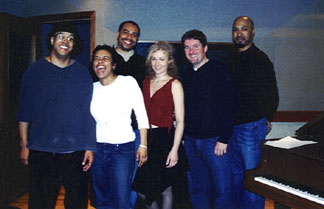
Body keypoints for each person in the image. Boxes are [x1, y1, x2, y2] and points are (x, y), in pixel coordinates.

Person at [16, 21, 96, 209]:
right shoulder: (34, 72)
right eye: (61, 36)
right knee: (40, 203)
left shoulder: (82, 74)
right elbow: (24, 112)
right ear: (52, 40)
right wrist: (24, 145)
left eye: (70, 38)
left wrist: (90, 147)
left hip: (75, 152)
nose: (65, 41)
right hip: (42, 150)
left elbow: (88, 114)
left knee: (77, 203)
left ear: (74, 44)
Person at [225, 16, 279, 209]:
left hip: (250, 129)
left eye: (244, 29)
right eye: (236, 29)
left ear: (252, 32)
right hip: (230, 130)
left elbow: (272, 93)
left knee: (252, 181)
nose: (239, 33)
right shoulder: (229, 60)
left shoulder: (260, 59)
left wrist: (267, 118)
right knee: (234, 180)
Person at [180, 30, 237, 209]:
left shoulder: (219, 70)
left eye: (196, 46)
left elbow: (231, 105)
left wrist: (223, 139)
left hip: (214, 143)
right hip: (190, 142)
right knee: (197, 189)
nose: (191, 51)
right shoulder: (186, 75)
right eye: (187, 47)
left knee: (222, 190)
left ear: (205, 48)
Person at [90, 44, 149, 209]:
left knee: (121, 200)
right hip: (97, 149)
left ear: (114, 64)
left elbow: (141, 114)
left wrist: (143, 145)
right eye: (96, 58)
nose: (100, 62)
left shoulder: (127, 82)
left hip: (122, 149)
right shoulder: (91, 88)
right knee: (102, 199)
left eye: (105, 58)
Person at [132, 41, 188, 209]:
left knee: (165, 189)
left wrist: (175, 150)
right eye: (154, 59)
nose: (157, 63)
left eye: (161, 59)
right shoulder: (146, 81)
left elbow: (181, 121)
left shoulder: (175, 84)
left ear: (169, 61)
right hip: (147, 138)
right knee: (142, 189)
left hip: (165, 140)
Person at [113, 20, 146, 208]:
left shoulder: (143, 64)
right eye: (126, 32)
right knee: (109, 180)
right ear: (118, 34)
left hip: (134, 132)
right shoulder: (105, 59)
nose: (129, 37)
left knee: (131, 179)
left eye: (134, 34)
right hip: (106, 133)